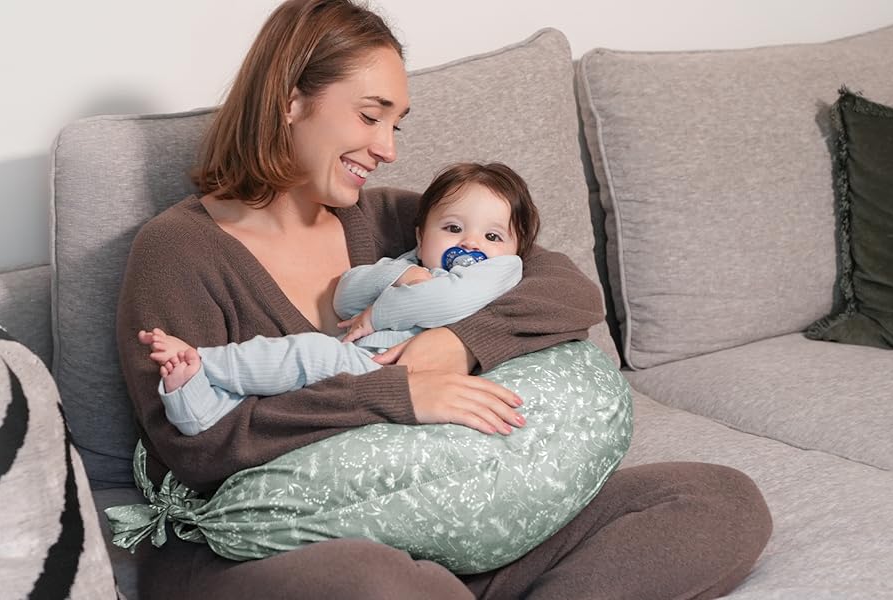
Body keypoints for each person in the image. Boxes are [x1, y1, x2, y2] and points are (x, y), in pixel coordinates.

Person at [113, 1, 773, 597]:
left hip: (452, 518)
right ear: (290, 100)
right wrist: (397, 394)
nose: (389, 149)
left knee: (718, 502)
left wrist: (454, 346)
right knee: (380, 585)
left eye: (396, 123)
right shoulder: (177, 250)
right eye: (371, 116)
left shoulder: (394, 220)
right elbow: (194, 445)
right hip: (263, 555)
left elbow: (565, 289)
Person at [139, 162, 535, 437]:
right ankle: (197, 403)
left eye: (493, 236)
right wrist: (398, 273)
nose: (470, 243)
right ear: (420, 236)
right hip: (368, 367)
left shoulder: (500, 270)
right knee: (286, 382)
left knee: (309, 354)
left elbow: (448, 302)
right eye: (452, 227)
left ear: (516, 249)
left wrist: (380, 313)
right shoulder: (408, 264)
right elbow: (346, 295)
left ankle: (205, 361)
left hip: (384, 369)